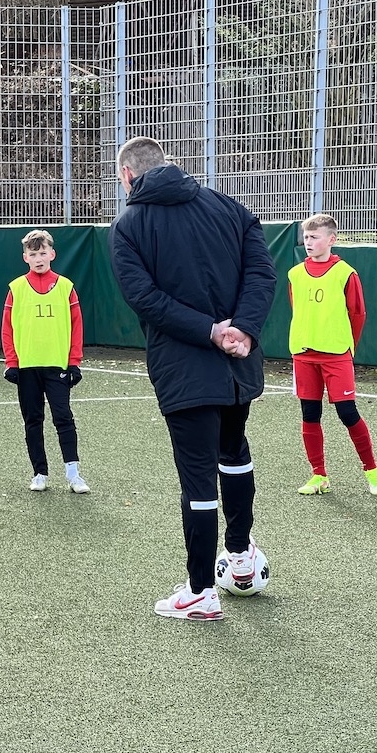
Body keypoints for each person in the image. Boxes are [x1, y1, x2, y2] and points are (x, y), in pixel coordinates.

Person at [110, 136, 277, 622]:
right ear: (168, 164)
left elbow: (144, 298)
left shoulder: (128, 226)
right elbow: (262, 274)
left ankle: (201, 591)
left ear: (127, 176)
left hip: (184, 370)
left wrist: (211, 331)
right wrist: (242, 329)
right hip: (238, 365)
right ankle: (241, 556)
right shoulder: (230, 207)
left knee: (198, 477)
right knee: (235, 452)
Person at [289, 214, 377, 496]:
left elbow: (358, 314)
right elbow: (297, 309)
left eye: (314, 237)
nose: (308, 242)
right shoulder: (295, 274)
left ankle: (373, 473)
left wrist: (346, 346)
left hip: (336, 355)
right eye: (306, 237)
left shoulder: (346, 273)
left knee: (347, 412)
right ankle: (319, 475)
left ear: (331, 239)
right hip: (303, 355)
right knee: (310, 414)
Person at [2, 228, 89, 494]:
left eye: (42, 253)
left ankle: (73, 474)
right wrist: (11, 362)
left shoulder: (66, 287)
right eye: (33, 254)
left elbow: (77, 327)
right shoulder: (16, 288)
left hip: (57, 365)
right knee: (33, 420)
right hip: (27, 367)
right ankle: (39, 473)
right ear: (25, 257)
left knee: (64, 418)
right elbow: (7, 328)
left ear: (52, 254)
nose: (38, 258)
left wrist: (74, 362)